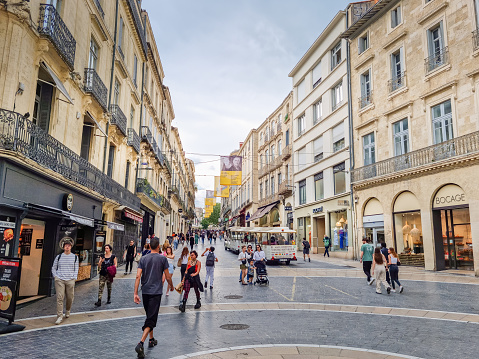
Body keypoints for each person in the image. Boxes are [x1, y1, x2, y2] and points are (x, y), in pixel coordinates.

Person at [134, 237, 174, 358]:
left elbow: (137, 276)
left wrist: (135, 293)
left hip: (145, 292)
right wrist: (171, 286)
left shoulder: (143, 259)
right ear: (158, 246)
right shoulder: (163, 259)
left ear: (150, 246)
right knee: (151, 319)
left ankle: (151, 339)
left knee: (149, 315)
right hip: (156, 292)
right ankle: (140, 343)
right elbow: (167, 277)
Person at [51, 237, 79, 325]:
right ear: (63, 247)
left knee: (70, 297)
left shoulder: (75, 257)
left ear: (71, 247)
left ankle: (68, 310)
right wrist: (55, 276)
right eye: (66, 246)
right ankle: (59, 316)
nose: (67, 247)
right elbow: (54, 267)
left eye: (69, 246)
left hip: (70, 279)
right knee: (60, 297)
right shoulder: (59, 257)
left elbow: (76, 268)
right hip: (60, 279)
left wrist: (74, 277)